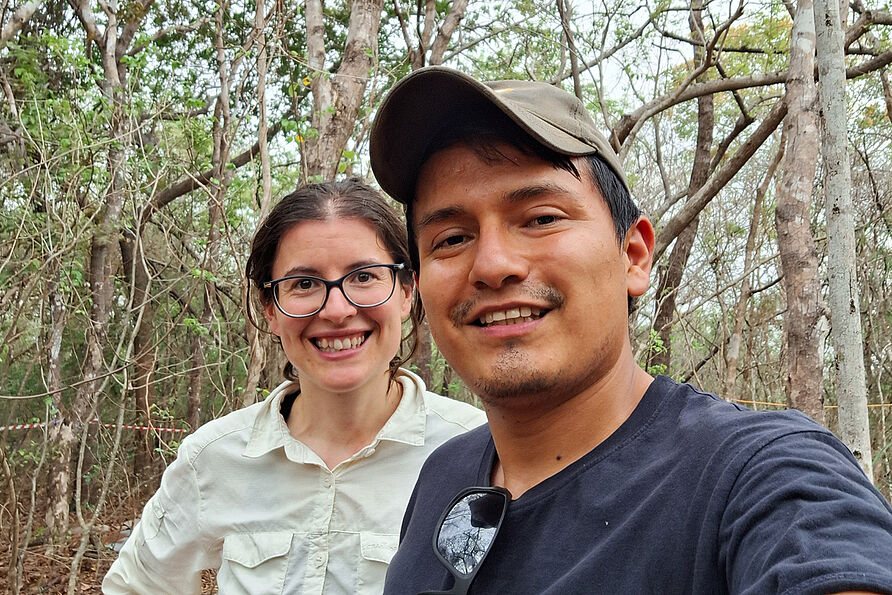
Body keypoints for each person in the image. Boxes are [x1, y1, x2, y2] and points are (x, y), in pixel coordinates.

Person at [368, 66, 892, 594]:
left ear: (634, 255)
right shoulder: (444, 473)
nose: (493, 264)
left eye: (541, 218)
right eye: (452, 238)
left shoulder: (758, 474)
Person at [102, 179, 485, 594]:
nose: (337, 310)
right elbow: (137, 586)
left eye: (364, 276)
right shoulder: (213, 459)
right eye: (304, 284)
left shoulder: (477, 454)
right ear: (270, 309)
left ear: (407, 291)